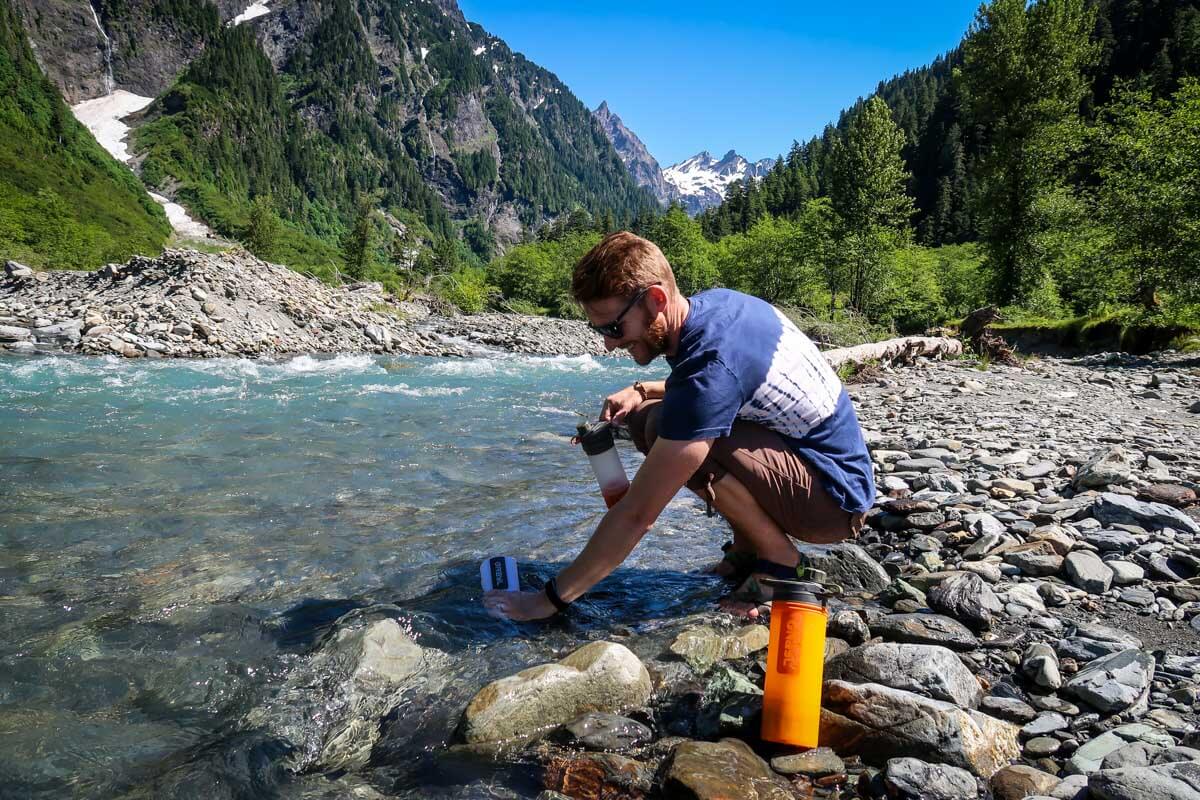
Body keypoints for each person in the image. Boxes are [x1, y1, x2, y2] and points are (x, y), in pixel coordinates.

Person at [484, 232, 875, 621]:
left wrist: (549, 599)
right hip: (814, 467)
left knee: (665, 426)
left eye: (614, 328)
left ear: (656, 299)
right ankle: (747, 551)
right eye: (598, 330)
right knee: (652, 417)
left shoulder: (710, 369)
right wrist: (644, 389)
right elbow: (721, 383)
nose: (607, 345)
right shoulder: (713, 309)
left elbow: (638, 514)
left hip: (833, 502)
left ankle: (780, 564)